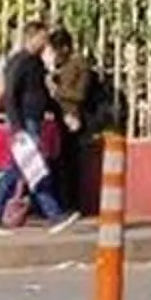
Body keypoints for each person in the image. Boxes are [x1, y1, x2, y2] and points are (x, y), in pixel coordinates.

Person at [0, 23, 75, 231]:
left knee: (27, 168)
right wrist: (17, 127)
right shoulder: (19, 62)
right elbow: (10, 96)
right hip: (25, 122)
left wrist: (60, 114)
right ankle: (53, 215)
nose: (46, 43)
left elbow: (42, 94)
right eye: (43, 38)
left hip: (35, 120)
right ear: (32, 38)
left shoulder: (36, 63)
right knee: (26, 168)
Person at [45, 26, 106, 218]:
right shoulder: (63, 66)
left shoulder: (80, 65)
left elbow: (79, 94)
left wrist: (57, 90)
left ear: (64, 48)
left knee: (70, 164)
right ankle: (63, 202)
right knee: (59, 162)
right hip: (60, 118)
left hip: (74, 118)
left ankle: (73, 203)